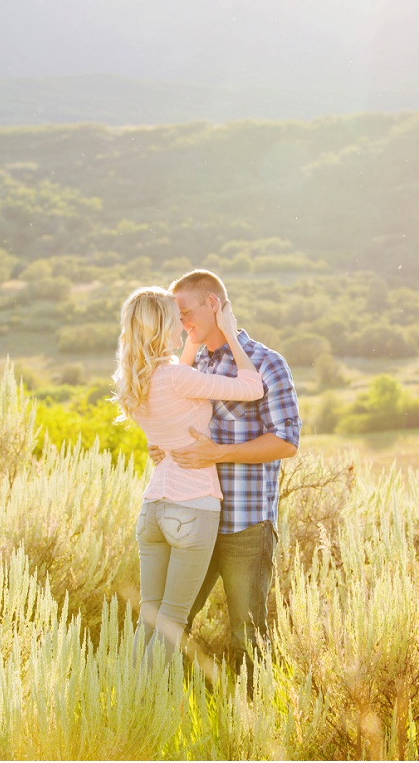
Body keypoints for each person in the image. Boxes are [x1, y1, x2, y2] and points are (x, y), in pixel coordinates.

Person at [149, 269, 301, 680]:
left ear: (213, 304)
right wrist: (162, 447)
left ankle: (251, 736)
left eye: (184, 312)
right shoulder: (189, 365)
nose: (180, 324)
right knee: (170, 627)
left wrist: (221, 453)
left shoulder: (267, 364)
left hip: (245, 525)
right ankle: (159, 722)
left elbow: (287, 441)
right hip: (192, 519)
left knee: (247, 638)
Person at [111, 286, 264, 657]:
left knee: (150, 616)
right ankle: (143, 706)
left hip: (154, 510)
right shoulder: (177, 378)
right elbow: (252, 386)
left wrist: (191, 346)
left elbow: (174, 392)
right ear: (164, 327)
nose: (183, 327)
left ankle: (126, 701)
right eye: (176, 320)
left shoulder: (135, 381)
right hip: (192, 507)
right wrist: (229, 331)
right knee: (172, 622)